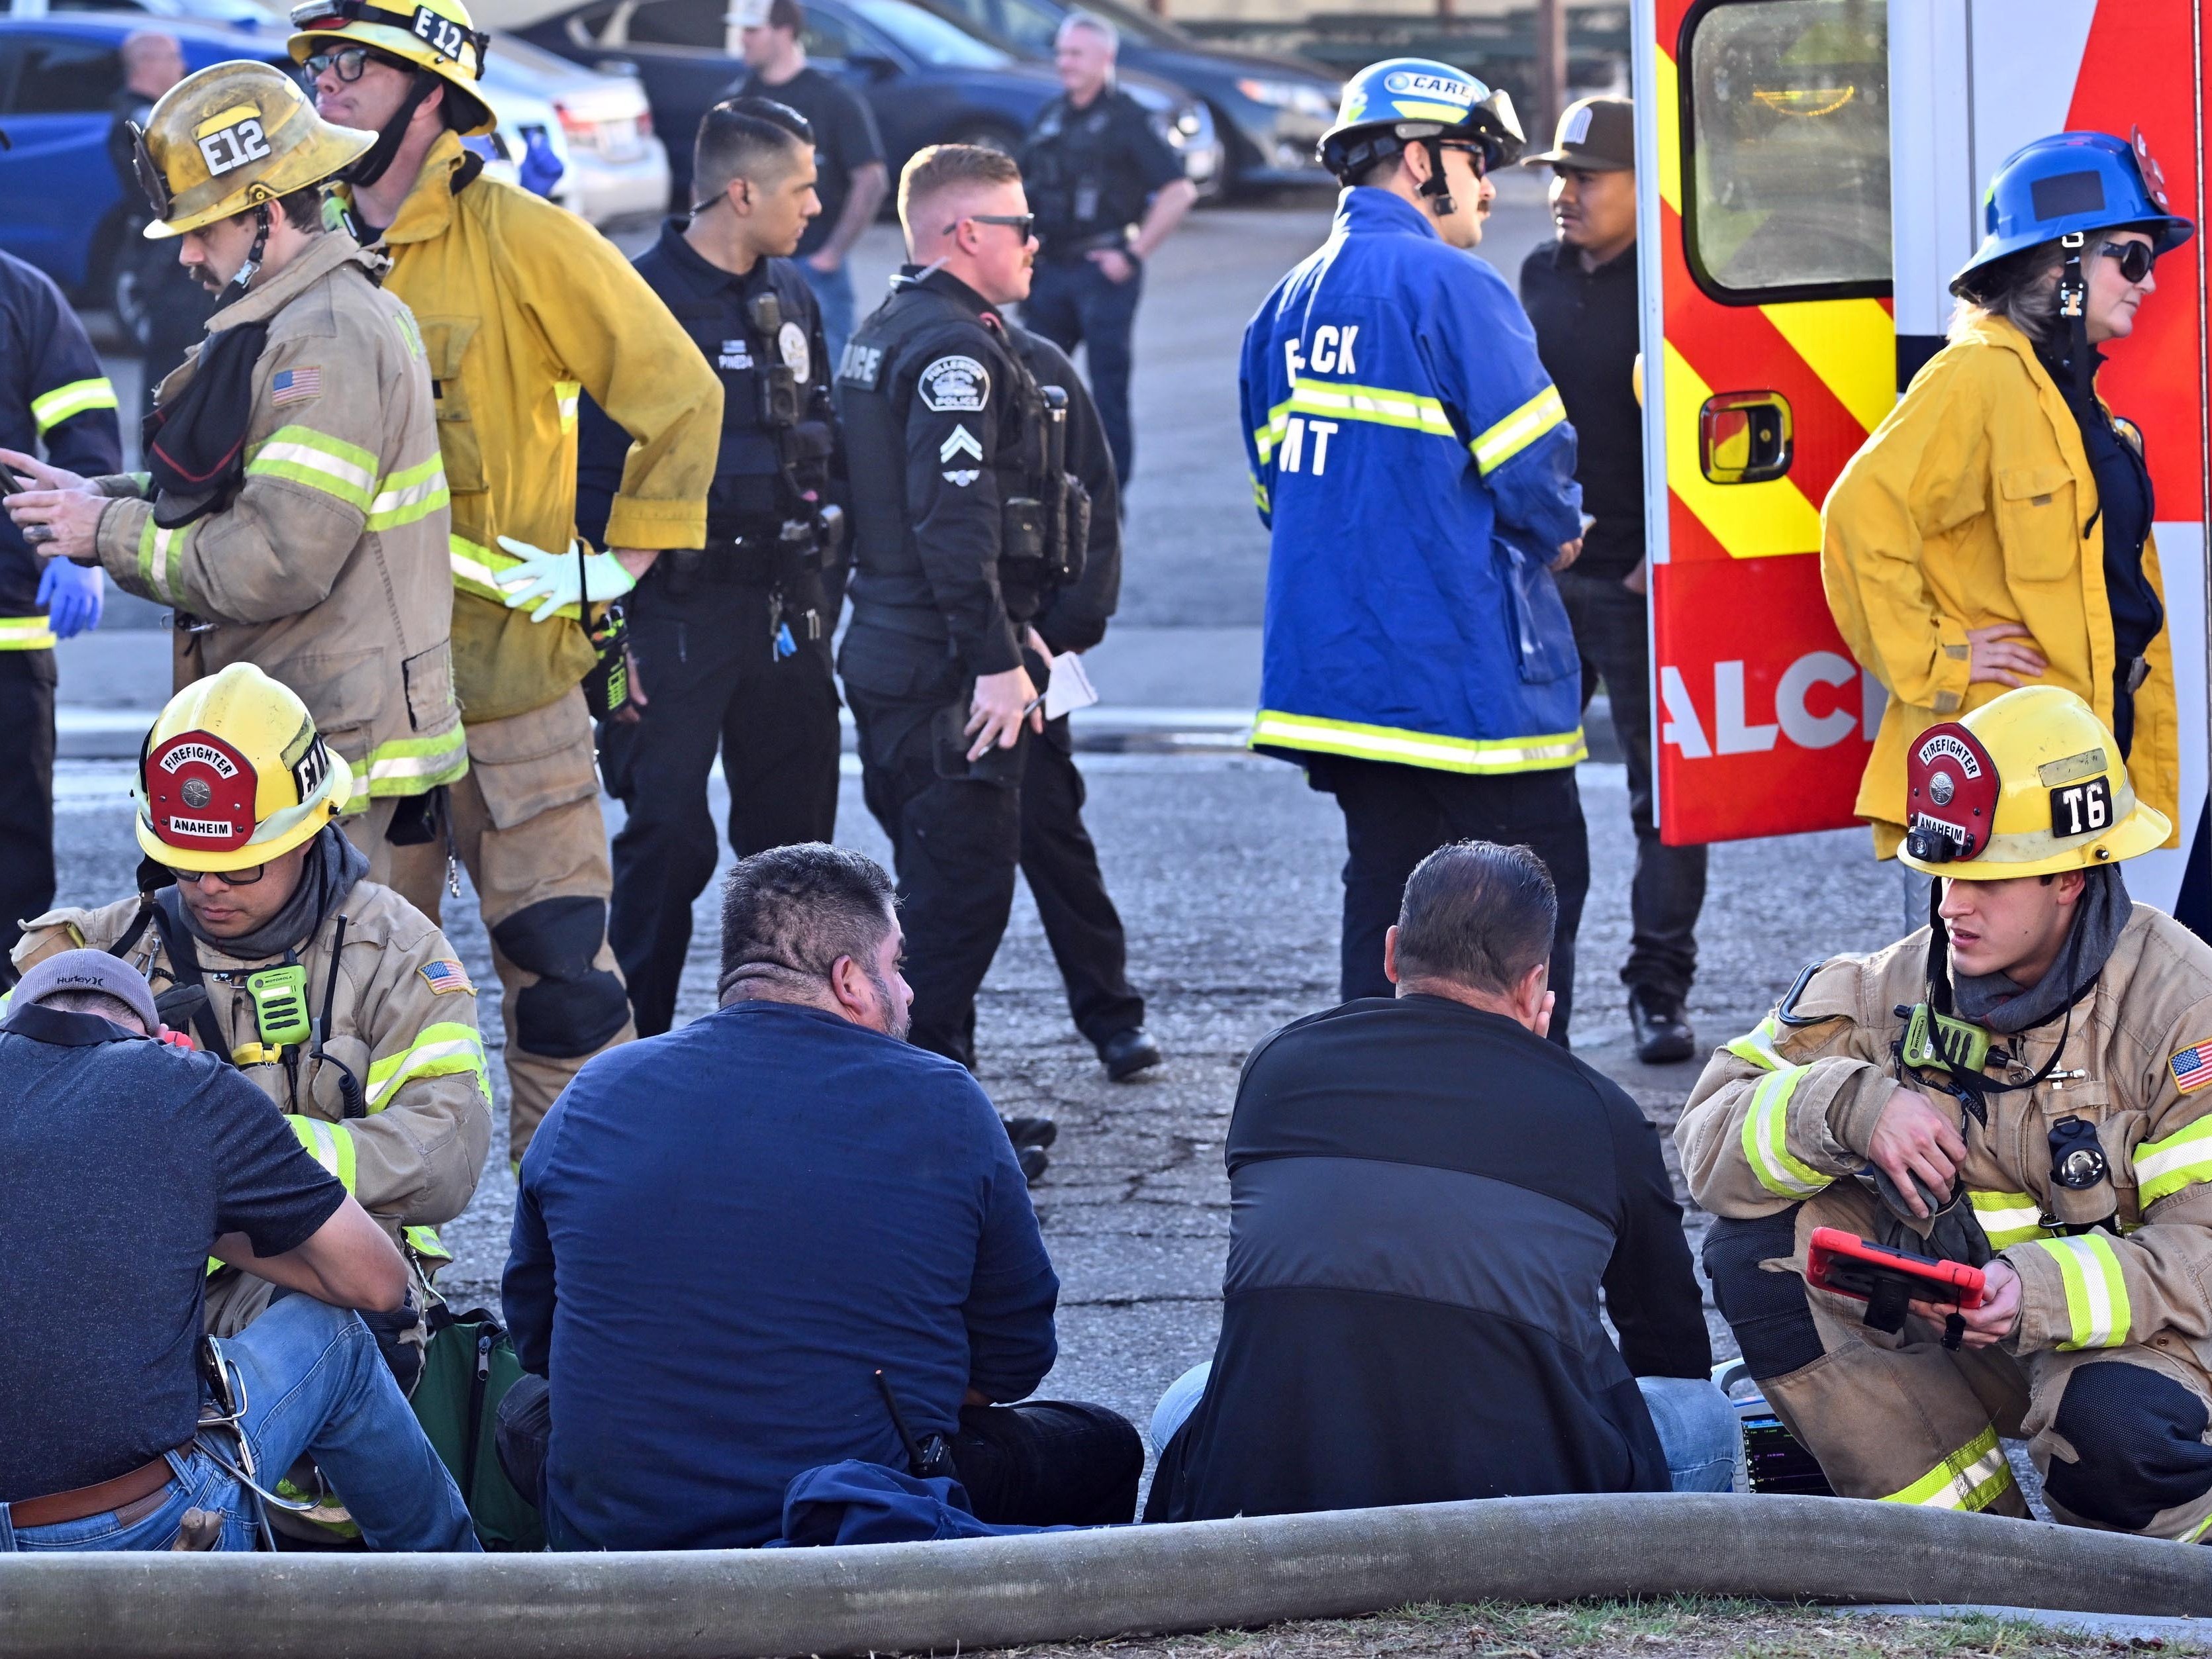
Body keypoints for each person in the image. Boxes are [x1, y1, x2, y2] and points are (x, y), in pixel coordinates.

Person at [294, 0, 724, 1158]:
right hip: (364, 717)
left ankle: (581, 1266)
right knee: (355, 1015)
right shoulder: (304, 247)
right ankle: (388, 1291)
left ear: (429, 93)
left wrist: (613, 561)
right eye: (318, 66)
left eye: (351, 66)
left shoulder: (523, 237)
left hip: (516, 701)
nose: (324, 84)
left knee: (567, 993)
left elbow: (681, 396)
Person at [500, 843, 1143, 1549]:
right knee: (1102, 1442)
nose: (907, 992)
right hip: (851, 1525)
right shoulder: (944, 1100)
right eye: (896, 965)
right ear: (848, 979)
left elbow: (540, 1336)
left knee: (525, 1413)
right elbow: (1014, 1355)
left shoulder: (595, 1089)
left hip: (627, 1532)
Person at [1682, 686, 2212, 1536]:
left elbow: (2203, 1253)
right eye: (1940, 876)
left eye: (1984, 881)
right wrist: (1851, 1104)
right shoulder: (1892, 985)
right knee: (1759, 1251)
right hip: (1975, 1335)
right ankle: (1967, 1554)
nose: (1948, 907)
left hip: (2152, 1344)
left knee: (2117, 1432)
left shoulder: (2183, 1005)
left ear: (2070, 877)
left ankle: (2173, 1578)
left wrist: (2034, 1290)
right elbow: (1706, 1140)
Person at [1145, 840, 1731, 1522]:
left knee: (1183, 1400)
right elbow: (1668, 1345)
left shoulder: (1279, 1064)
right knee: (1702, 1414)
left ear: (1392, 952)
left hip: (1279, 1495)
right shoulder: (1599, 1111)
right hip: (1526, 1510)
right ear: (1533, 983)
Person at [1, 60, 464, 877]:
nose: (185, 256)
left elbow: (272, 558)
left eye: (202, 228)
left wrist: (101, 531)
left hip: (336, 749)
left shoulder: (324, 340)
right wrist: (96, 496)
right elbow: (236, 494)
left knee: (328, 1000)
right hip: (307, 727)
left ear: (266, 214)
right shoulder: (290, 320)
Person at [11, 663, 491, 1392]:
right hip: (134, 1277)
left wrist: (252, 1158)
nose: (206, 888)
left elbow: (447, 1156)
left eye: (238, 869)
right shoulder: (91, 958)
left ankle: (334, 1510)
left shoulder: (399, 952)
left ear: (310, 832)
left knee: (352, 1339)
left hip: (319, 1272)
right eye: (183, 863)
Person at [1242, 59, 1591, 1038]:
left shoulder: (1281, 307)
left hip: (1342, 684)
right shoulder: (1453, 286)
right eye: (1476, 160)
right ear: (1416, 159)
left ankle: (1378, 1103)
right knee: (1537, 885)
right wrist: (1562, 531)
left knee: (1389, 906)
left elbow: (1280, 495)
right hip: (1462, 680)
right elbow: (1534, 475)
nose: (1487, 186)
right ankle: (1521, 1110)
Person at [1823, 130, 2189, 922]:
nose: (2147, 282)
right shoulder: (1978, 375)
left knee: (2073, 989)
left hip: (2071, 764)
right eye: (2128, 257)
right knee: (2009, 999)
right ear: (2061, 266)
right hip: (2007, 776)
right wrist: (1939, 656)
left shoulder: (2072, 400)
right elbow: (1859, 519)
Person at [0, 948, 477, 1553]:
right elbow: (378, 1284)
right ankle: (457, 1596)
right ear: (149, 1034)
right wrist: (193, 1199)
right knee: (333, 1333)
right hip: (135, 1530)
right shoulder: (184, 1083)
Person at [584, 98, 845, 1039]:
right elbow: (587, 484)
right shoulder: (635, 298)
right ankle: (637, 1059)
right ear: (742, 191)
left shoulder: (797, 296)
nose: (816, 205)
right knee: (666, 845)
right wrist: (609, 646)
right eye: (802, 187)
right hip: (672, 617)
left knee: (795, 854)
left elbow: (825, 450)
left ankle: (779, 1043)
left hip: (782, 610)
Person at [832, 146, 1090, 1082]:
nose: (1035, 243)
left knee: (930, 895)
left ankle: (943, 1094)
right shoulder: (954, 350)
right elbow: (953, 520)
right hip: (941, 672)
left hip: (894, 651)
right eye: (1020, 226)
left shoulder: (885, 327)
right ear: (966, 233)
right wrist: (993, 658)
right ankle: (899, 1103)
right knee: (960, 907)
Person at [1519, 95, 1704, 1066]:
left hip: (1639, 582)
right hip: (1548, 577)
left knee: (1662, 800)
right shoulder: (1536, 275)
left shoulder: (1673, 287)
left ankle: (1658, 991)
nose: (1563, 193)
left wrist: (1664, 551)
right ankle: (1531, 992)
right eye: (1558, 174)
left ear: (1646, 187)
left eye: (1585, 176)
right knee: (1529, 794)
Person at [1005, 318, 1160, 1081]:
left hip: (1030, 658)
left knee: (1055, 840)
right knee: (940, 875)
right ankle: (936, 1044)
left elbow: (1093, 506)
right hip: (931, 662)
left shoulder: (1045, 368)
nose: (1032, 248)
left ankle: (1111, 1015)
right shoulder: (905, 349)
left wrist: (1062, 634)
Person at [1017, 11, 1196, 489]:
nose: (1064, 62)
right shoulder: (1050, 116)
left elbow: (1179, 191)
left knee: (1107, 392)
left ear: (1105, 58)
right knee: (1031, 382)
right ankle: (1038, 485)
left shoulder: (1128, 119)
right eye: (1060, 52)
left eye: (1075, 53)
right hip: (1051, 270)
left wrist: (1133, 255)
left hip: (1103, 273)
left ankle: (1108, 501)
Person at [0, 252, 119, 955]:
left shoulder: (21, 296)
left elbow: (83, 423)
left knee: (12, 863)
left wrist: (86, 542)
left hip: (6, 636)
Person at [729, 0, 887, 363]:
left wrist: (830, 255)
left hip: (814, 270)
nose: (743, 40)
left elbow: (871, 179)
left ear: (784, 32)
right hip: (746, 271)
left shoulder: (834, 99)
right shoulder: (735, 100)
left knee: (825, 385)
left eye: (753, 31)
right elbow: (706, 183)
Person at [105, 30, 216, 421]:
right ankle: (158, 462)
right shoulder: (142, 121)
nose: (181, 67)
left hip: (171, 261)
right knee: (173, 368)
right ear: (149, 62)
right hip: (168, 266)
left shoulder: (145, 117)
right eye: (174, 57)